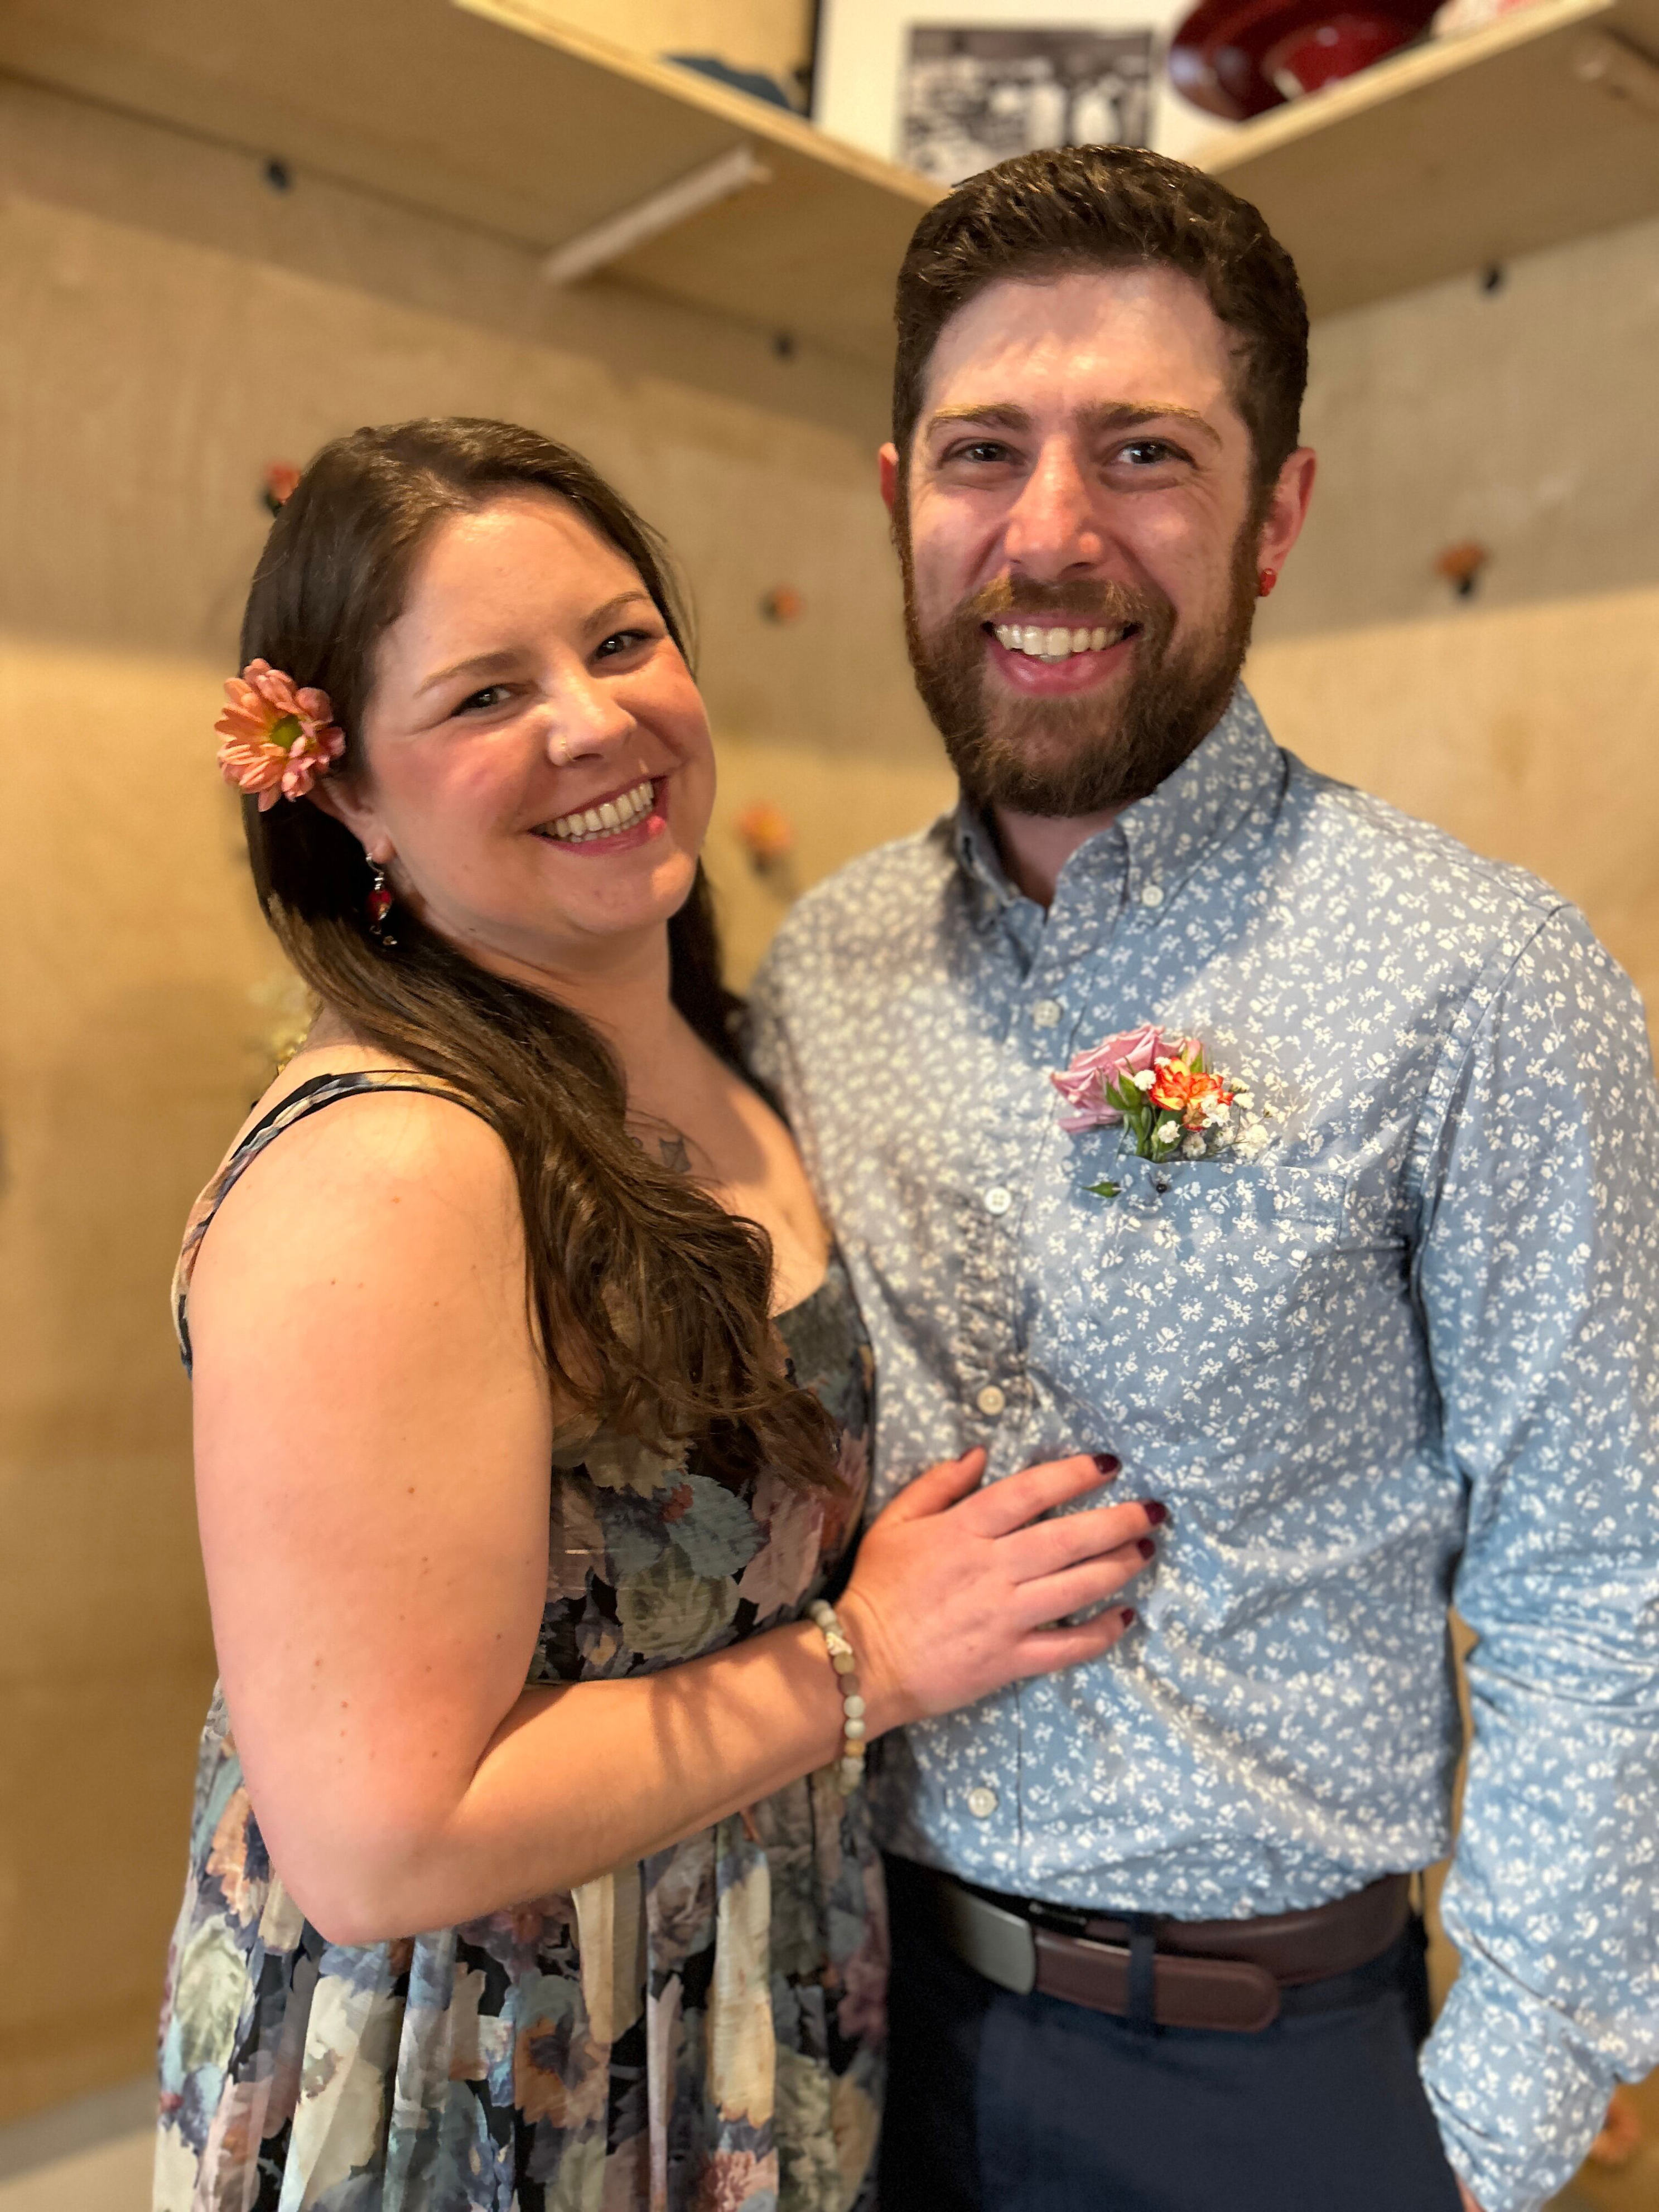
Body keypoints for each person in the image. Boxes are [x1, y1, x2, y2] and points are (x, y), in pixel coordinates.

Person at [747, 147, 1659, 2212]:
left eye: (1145, 451)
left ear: (1280, 511)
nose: (1049, 533)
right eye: (985, 451)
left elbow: (1604, 1578)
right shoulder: (829, 970)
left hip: (1279, 2084)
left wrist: (1485, 2136)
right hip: (866, 2031)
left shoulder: (1481, 983)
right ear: (900, 496)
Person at [153, 417, 1164, 2211]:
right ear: (347, 793)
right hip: (490, 2073)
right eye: (484, 694)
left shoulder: (718, 1047)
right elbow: (380, 1842)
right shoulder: (393, 1163)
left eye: (620, 641)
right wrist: (871, 1659)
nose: (595, 721)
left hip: (747, 1991)